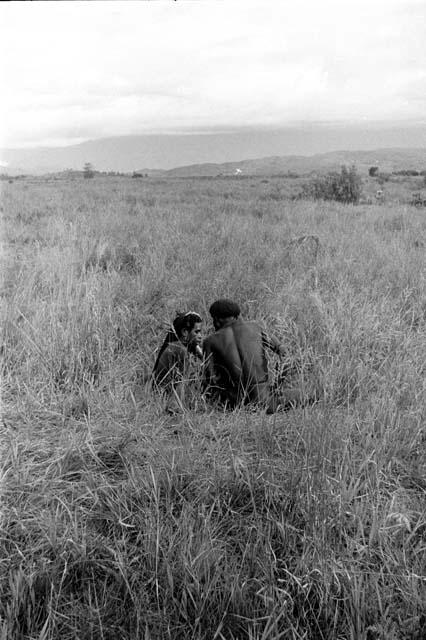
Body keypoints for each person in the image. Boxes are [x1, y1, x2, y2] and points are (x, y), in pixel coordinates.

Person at [202, 299, 309, 413]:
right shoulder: (256, 328)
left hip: (236, 405)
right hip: (267, 401)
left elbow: (210, 380)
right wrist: (278, 383)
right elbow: (285, 355)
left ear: (217, 319)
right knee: (305, 393)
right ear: (237, 315)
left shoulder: (210, 341)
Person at [152, 311, 203, 412]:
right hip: (165, 400)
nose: (200, 336)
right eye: (196, 332)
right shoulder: (180, 350)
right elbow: (183, 382)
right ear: (185, 332)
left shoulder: (176, 345)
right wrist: (177, 409)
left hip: (159, 396)